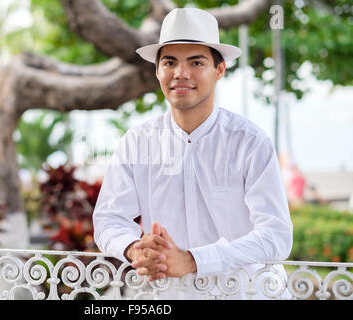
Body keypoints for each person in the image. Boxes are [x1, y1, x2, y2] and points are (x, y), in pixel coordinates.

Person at [93, 8, 293, 299]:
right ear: (157, 70)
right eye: (170, 62)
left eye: (196, 62)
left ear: (219, 70)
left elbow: (276, 236)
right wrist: (135, 248)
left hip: (245, 295)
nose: (180, 74)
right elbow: (109, 219)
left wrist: (193, 261)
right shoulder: (136, 143)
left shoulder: (250, 143)